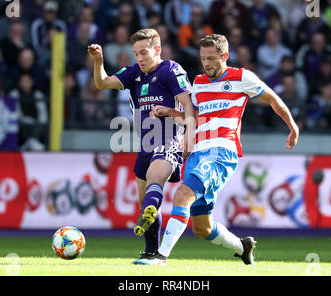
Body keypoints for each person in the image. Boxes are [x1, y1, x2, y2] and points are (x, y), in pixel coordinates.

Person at [138, 34, 299, 265]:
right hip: (197, 153)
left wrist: (292, 126)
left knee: (182, 195)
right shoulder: (200, 82)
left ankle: (159, 256)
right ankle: (243, 247)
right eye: (203, 58)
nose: (207, 63)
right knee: (202, 227)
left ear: (225, 56)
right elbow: (195, 117)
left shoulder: (242, 77)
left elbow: (273, 99)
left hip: (221, 151)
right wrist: (172, 113)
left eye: (212, 58)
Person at [87, 28, 195, 264]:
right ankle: (150, 252)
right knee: (144, 198)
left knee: (155, 180)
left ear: (157, 50)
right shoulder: (134, 72)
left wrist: (189, 134)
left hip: (170, 140)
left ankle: (149, 217)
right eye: (136, 53)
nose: (140, 58)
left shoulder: (171, 70)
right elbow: (103, 83)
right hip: (146, 143)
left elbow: (188, 104)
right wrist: (98, 62)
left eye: (144, 53)